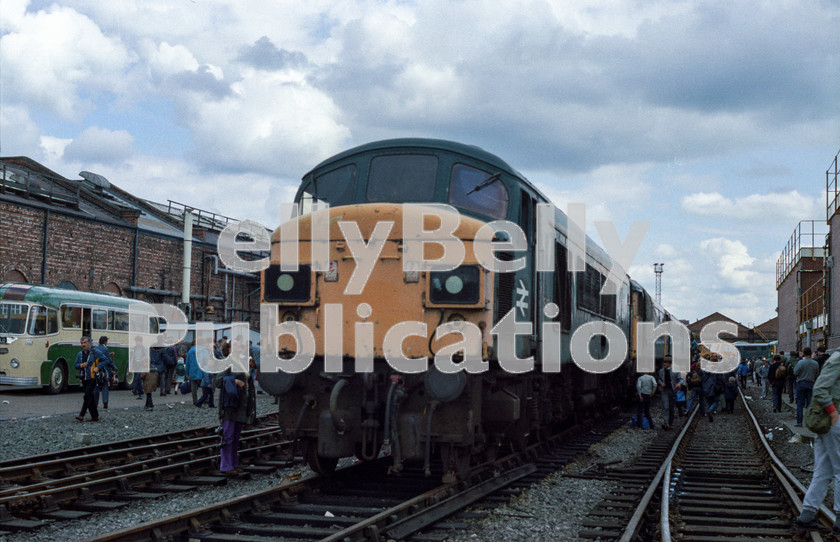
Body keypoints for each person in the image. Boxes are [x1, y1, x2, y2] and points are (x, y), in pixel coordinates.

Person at [795, 350, 840, 534]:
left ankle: (807, 514)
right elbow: (820, 388)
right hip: (834, 419)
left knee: (823, 470)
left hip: (830, 422)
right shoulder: (838, 360)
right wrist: (833, 412)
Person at [216, 367, 256, 474]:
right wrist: (235, 381)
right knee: (227, 437)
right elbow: (218, 381)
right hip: (230, 406)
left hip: (241, 406)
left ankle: (233, 464)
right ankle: (226, 466)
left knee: (235, 437)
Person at [74, 336, 99, 422]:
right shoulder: (80, 354)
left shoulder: (94, 353)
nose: (83, 345)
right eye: (81, 343)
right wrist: (81, 365)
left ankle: (81, 414)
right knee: (89, 397)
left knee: (87, 395)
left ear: (89, 344)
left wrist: (98, 367)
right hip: (84, 377)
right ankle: (95, 416)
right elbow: (75, 365)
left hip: (92, 377)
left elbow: (105, 360)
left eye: (84, 343)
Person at [794, 347, 820, 427]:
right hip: (811, 384)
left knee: (800, 404)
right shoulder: (815, 363)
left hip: (801, 383)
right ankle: (809, 422)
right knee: (810, 404)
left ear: (804, 353)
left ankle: (799, 422)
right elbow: (817, 374)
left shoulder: (800, 362)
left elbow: (795, 372)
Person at [92, 336, 116, 409]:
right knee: (105, 386)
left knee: (96, 386)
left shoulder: (95, 348)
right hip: (104, 371)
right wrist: (114, 367)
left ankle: (95, 404)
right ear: (105, 342)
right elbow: (108, 360)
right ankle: (105, 402)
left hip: (96, 370)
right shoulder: (105, 349)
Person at [657, 356, 681, 430]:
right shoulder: (661, 371)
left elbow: (681, 379)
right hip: (664, 391)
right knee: (666, 406)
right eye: (664, 362)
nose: (664, 364)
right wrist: (661, 383)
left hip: (673, 391)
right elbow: (658, 379)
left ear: (669, 363)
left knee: (671, 408)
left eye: (666, 362)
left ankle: (670, 423)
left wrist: (679, 384)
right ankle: (666, 423)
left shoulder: (675, 371)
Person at [145, 341, 167, 411]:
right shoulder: (163, 349)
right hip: (161, 366)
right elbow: (166, 359)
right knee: (162, 378)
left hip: (153, 367)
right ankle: (162, 391)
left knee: (149, 385)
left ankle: (148, 404)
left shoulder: (151, 349)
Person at [132, 335, 146, 400]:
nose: (136, 342)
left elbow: (146, 357)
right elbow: (133, 357)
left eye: (137, 341)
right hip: (136, 365)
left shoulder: (144, 348)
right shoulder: (135, 348)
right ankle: (138, 391)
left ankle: (140, 392)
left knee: (138, 378)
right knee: (136, 379)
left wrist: (141, 360)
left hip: (141, 365)